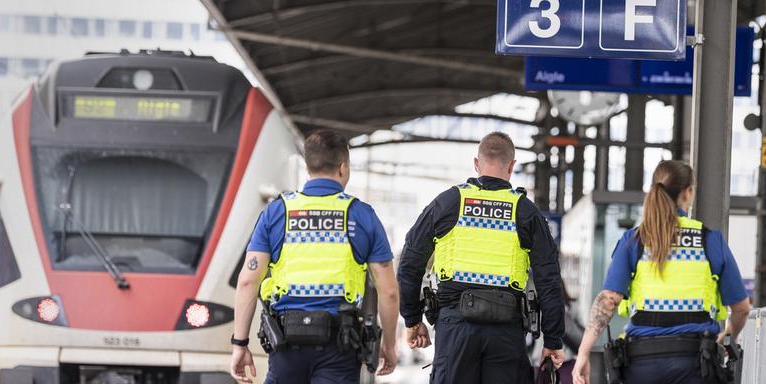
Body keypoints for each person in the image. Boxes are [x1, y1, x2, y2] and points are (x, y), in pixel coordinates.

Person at [230, 130, 399, 383]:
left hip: (286, 342)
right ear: (343, 168)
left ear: (308, 168)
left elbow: (247, 282)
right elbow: (389, 292)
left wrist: (239, 344)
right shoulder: (362, 215)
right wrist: (389, 344)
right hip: (340, 346)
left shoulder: (276, 213)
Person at [398, 132, 566, 384]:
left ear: (476, 164)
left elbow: (410, 263)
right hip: (507, 332)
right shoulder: (525, 211)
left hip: (455, 328)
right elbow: (549, 279)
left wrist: (412, 320)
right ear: (511, 166)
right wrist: (552, 340)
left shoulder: (448, 203)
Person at [571, 160, 751, 384]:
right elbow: (742, 309)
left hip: (642, 364)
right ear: (687, 193)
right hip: (696, 363)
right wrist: (728, 336)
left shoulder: (634, 241)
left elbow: (608, 301)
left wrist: (583, 353)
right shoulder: (710, 241)